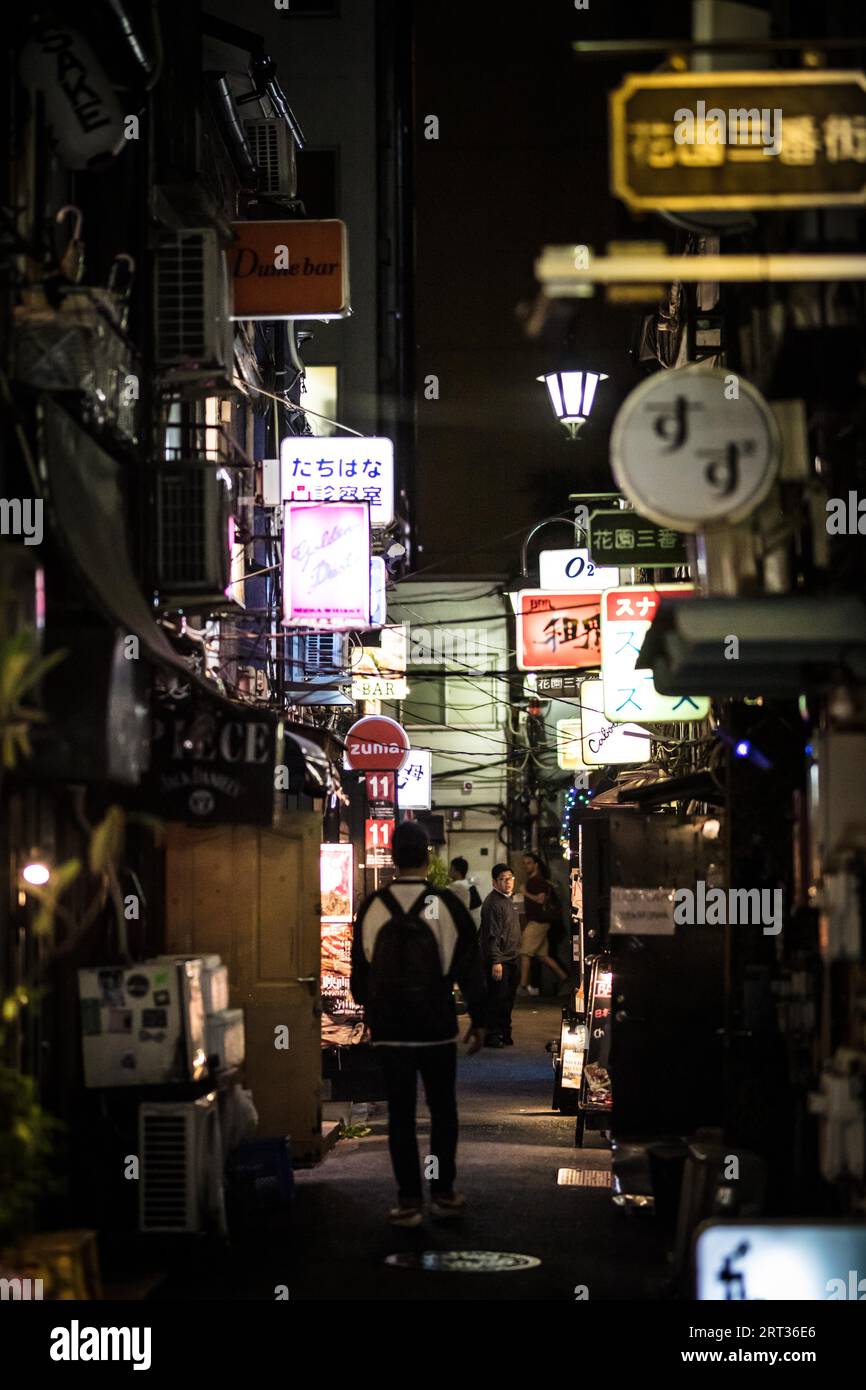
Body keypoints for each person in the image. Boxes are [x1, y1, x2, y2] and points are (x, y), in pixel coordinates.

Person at [351, 820, 486, 1228]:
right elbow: (469, 968)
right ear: (427, 856)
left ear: (392, 857)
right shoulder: (446, 904)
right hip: (437, 1028)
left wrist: (371, 1013)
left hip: (391, 1030)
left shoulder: (373, 905)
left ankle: (409, 1200)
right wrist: (480, 1020)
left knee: (401, 1116)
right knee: (443, 1111)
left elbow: (360, 975)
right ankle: (443, 1192)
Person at [518, 851, 571, 997]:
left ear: (536, 865)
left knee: (524, 952)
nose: (525, 866)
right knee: (543, 956)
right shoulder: (536, 881)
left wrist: (524, 892)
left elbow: (540, 900)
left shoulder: (537, 881)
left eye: (528, 863)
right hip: (542, 922)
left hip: (538, 922)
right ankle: (566, 979)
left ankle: (522, 987)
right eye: (524, 863)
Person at [479, 864, 521, 1047]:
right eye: (503, 879)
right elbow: (492, 935)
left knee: (507, 999)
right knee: (497, 999)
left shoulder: (507, 900)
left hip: (511, 958)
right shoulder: (493, 903)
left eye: (510, 878)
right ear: (494, 882)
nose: (507, 883)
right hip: (500, 960)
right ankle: (493, 1035)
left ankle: (504, 1032)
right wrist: (496, 961)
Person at [449, 855, 483, 928]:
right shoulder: (468, 883)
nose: (449, 871)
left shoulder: (456, 885)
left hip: (464, 924)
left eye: (451, 868)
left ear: (457, 871)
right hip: (475, 923)